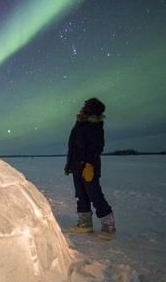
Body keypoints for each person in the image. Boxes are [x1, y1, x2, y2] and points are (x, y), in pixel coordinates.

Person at [64, 98, 116, 240]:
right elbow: (73, 147)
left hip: (88, 167)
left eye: (86, 106)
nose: (83, 108)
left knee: (95, 195)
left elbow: (97, 147)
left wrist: (89, 164)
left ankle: (109, 226)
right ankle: (85, 224)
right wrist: (69, 164)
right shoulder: (80, 123)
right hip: (76, 165)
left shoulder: (95, 125)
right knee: (81, 195)